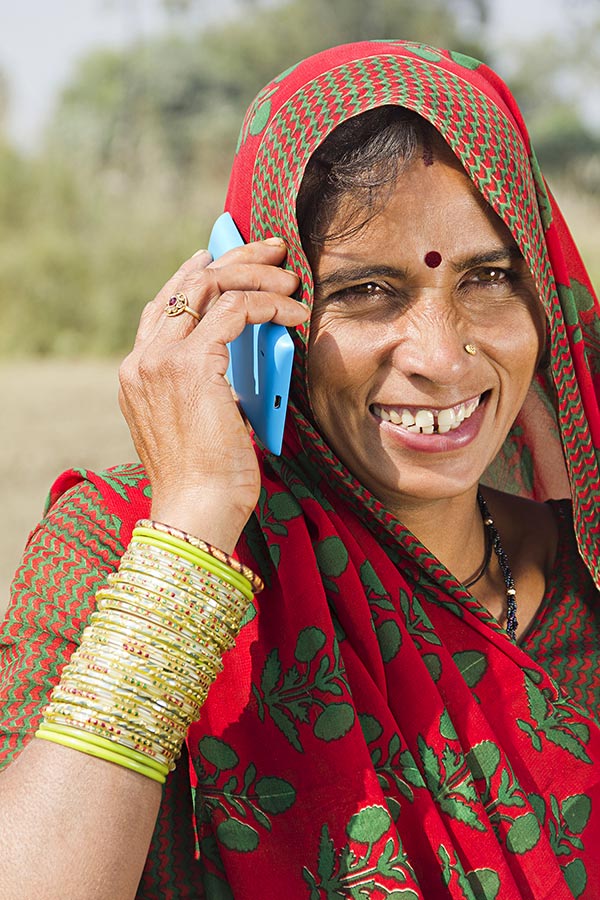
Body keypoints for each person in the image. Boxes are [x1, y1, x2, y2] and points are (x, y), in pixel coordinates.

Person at [0, 39, 599, 900]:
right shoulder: (124, 546)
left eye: (490, 278)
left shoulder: (582, 581)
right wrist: (198, 514)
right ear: (261, 312)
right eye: (367, 290)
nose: (440, 355)